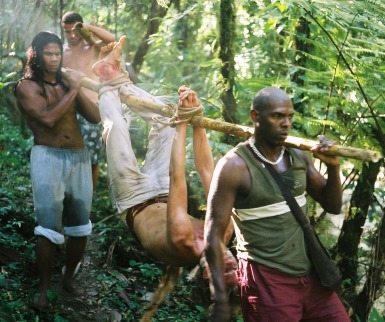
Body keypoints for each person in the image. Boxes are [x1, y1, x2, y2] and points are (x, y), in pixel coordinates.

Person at [90, 36, 236, 277]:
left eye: (225, 270)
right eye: (235, 268)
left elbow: (177, 176)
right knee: (167, 122)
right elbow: (208, 172)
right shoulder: (225, 230)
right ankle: (115, 76)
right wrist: (196, 119)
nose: (232, 263)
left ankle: (106, 85)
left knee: (115, 128)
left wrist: (183, 121)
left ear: (207, 271)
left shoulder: (184, 241)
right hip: (163, 192)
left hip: (133, 200)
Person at [204, 87, 351, 321]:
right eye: (277, 116)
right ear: (255, 116)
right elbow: (212, 236)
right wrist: (220, 299)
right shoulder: (234, 167)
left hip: (312, 277)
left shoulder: (299, 156)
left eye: (290, 117)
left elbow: (332, 206)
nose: (286, 123)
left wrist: (334, 167)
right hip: (267, 281)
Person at [15, 31, 100, 312]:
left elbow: (94, 117)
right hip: (47, 158)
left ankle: (67, 279)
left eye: (57, 54)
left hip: (78, 157)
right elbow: (48, 119)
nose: (54, 59)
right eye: (48, 54)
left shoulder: (66, 82)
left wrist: (76, 86)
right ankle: (43, 288)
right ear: (35, 55)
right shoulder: (26, 86)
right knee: (48, 227)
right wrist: (74, 89)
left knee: (80, 225)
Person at [61, 11, 116, 190]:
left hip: (92, 108)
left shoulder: (92, 47)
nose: (71, 35)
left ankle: (89, 198)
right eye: (67, 31)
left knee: (92, 157)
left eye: (75, 30)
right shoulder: (61, 51)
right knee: (69, 152)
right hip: (69, 107)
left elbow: (111, 39)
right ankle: (70, 191)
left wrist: (88, 28)